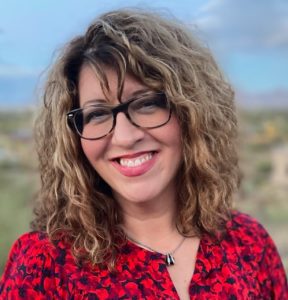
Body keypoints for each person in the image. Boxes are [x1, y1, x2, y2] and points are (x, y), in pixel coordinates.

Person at [0, 9, 287, 300]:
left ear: (191, 113)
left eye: (147, 104)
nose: (125, 137)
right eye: (97, 114)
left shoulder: (249, 244)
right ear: (74, 136)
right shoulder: (43, 267)